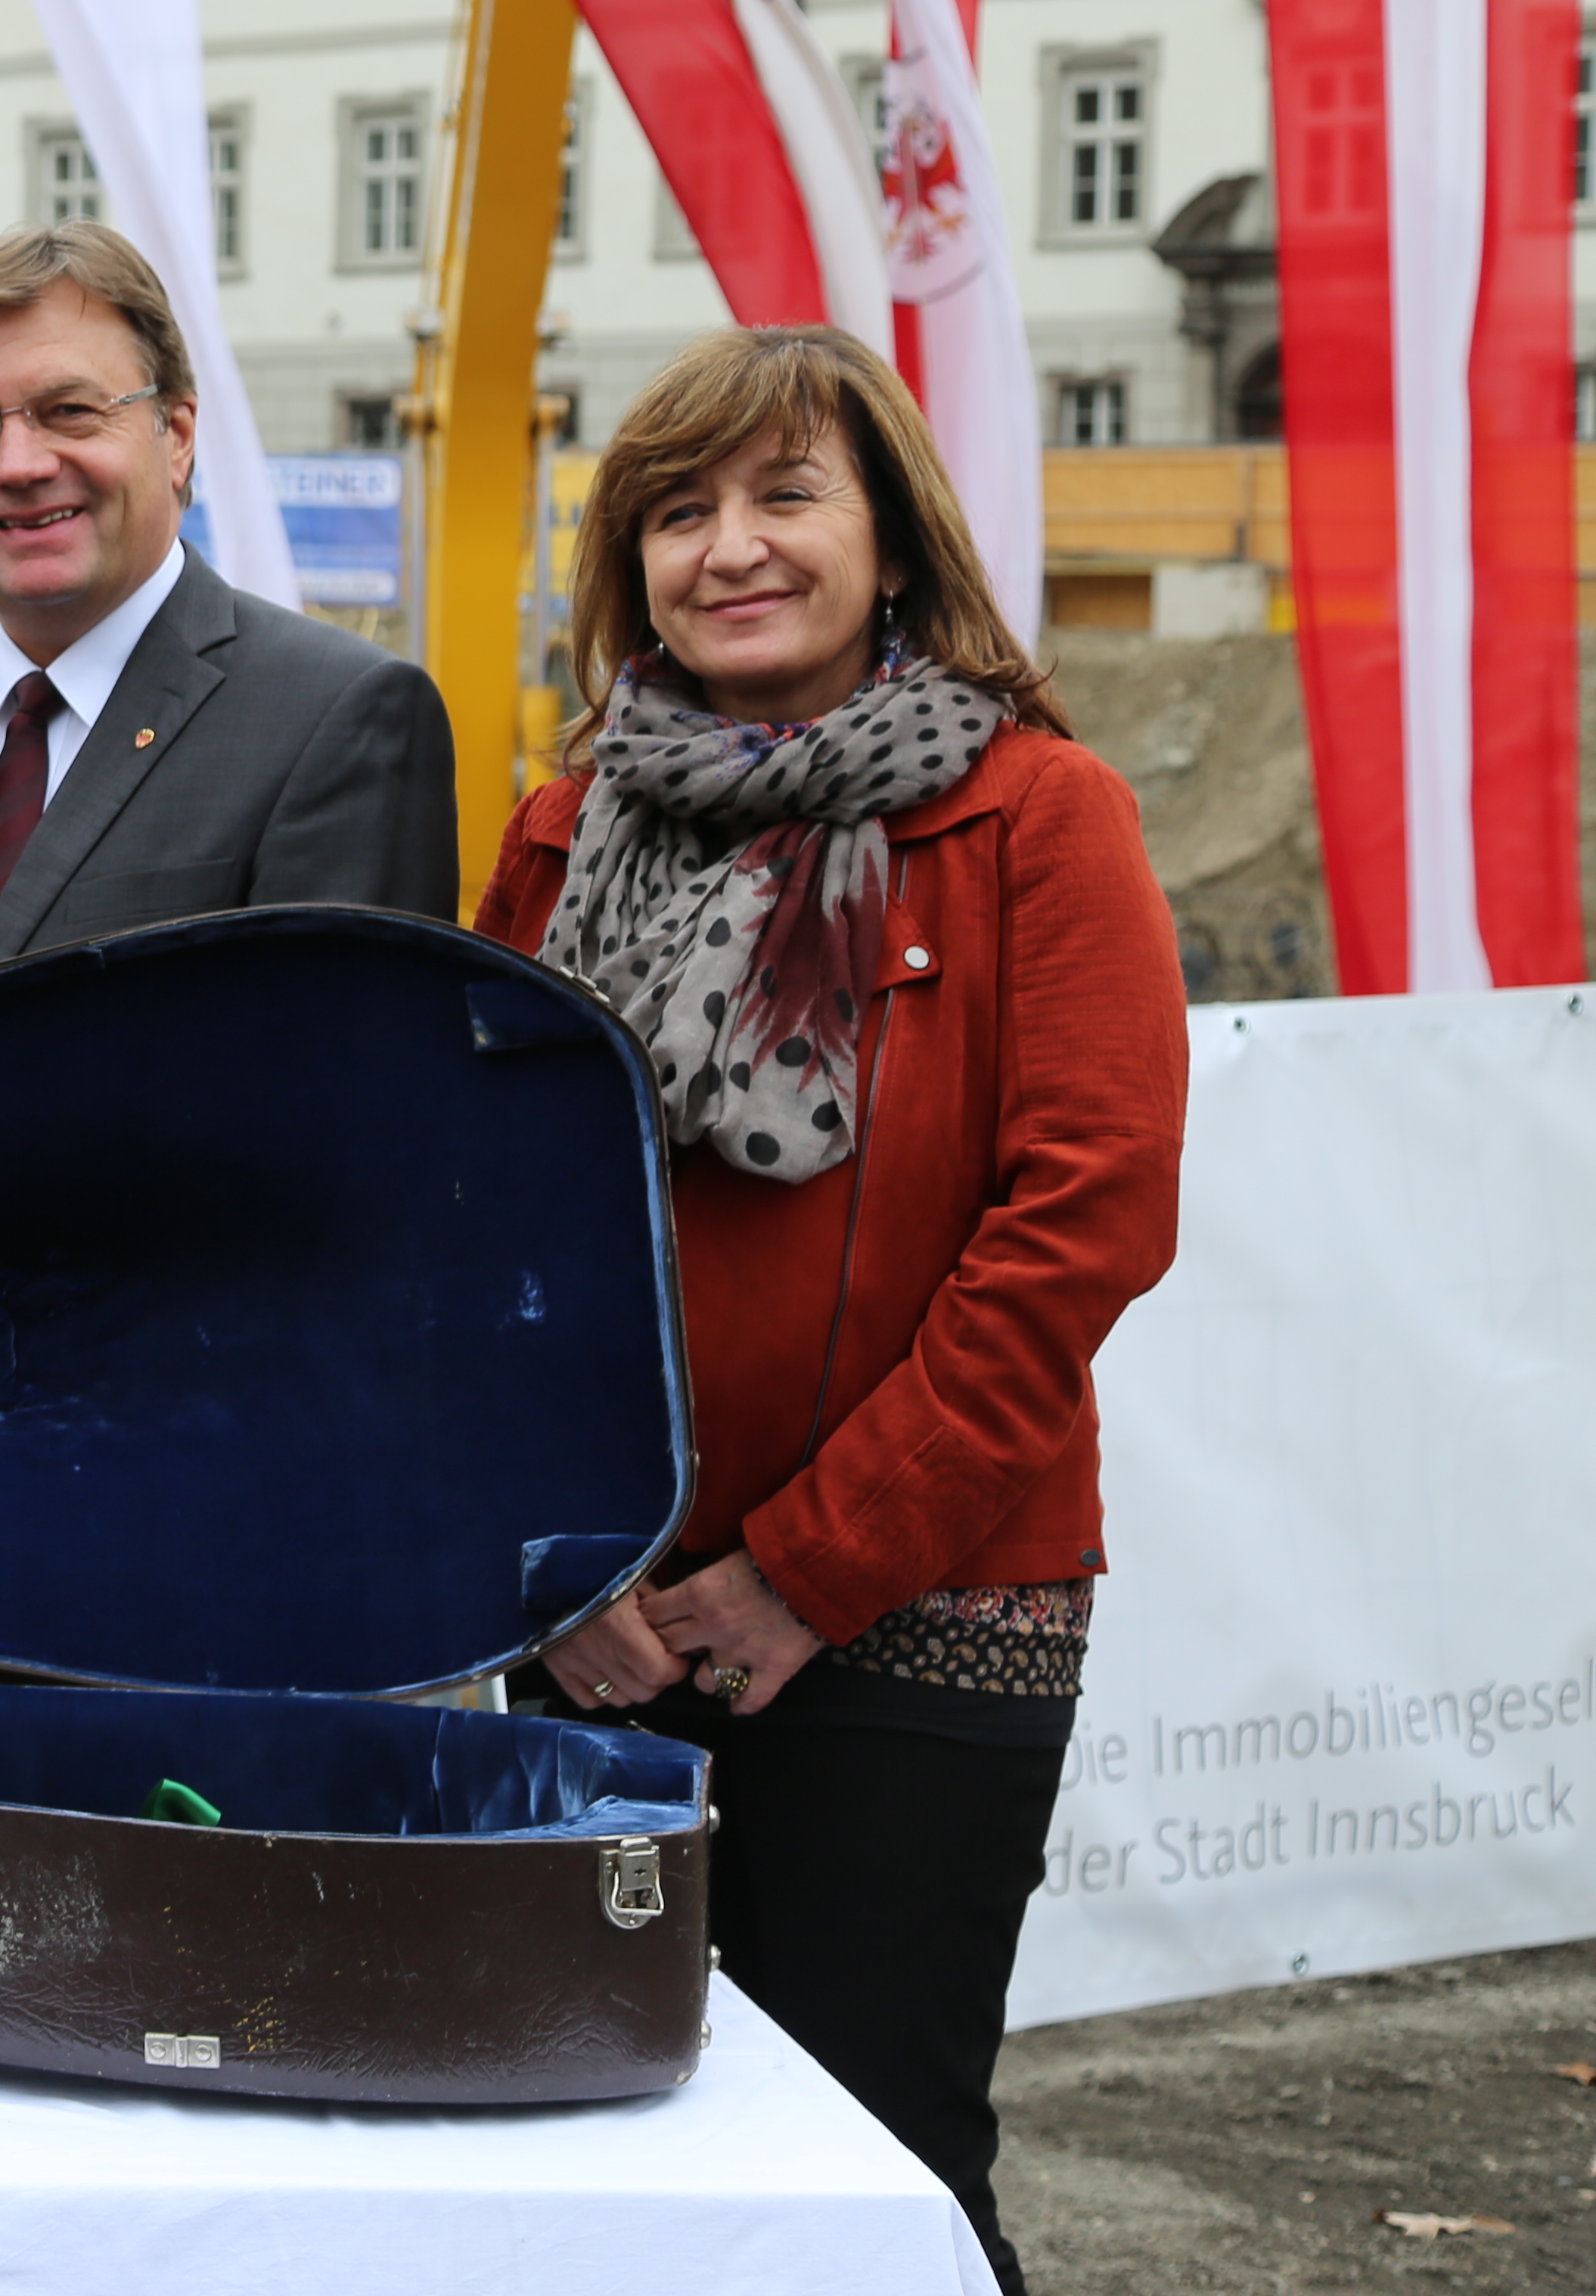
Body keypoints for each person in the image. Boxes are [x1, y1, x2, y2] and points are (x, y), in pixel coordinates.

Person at [486, 324, 1184, 2296]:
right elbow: (480, 1229)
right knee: (606, 2175)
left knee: (878, 2174)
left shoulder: (1042, 819)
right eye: (679, 512)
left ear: (891, 535)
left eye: (786, 495)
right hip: (603, 1634)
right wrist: (562, 1567)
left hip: (917, 1630)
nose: (731, 549)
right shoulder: (556, 834)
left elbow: (1086, 1226)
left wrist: (809, 1570)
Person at [0, 218, 455, 1011]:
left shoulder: (336, 719)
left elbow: (342, 1096)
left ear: (175, 437)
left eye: (69, 410)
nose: (19, 466)